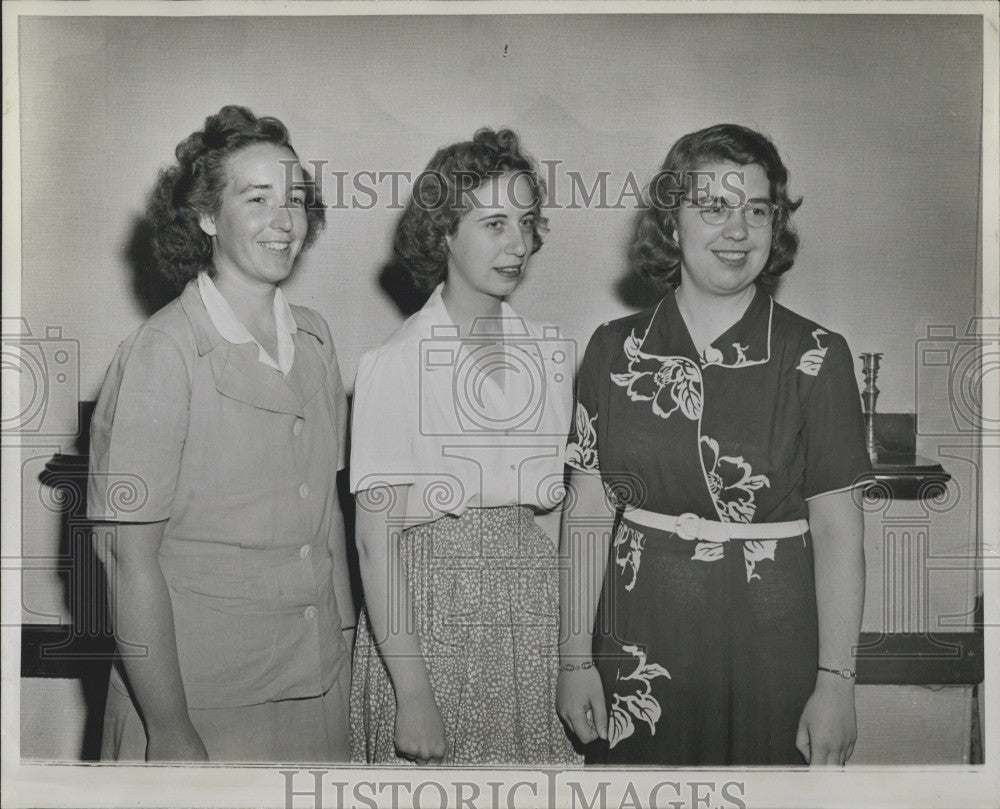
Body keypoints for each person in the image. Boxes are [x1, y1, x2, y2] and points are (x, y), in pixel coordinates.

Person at [556, 123, 870, 766]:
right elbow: (587, 511)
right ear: (671, 223)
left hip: (774, 648)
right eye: (714, 207)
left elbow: (839, 531)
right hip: (637, 640)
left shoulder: (817, 356)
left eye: (757, 210)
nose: (738, 230)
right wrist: (573, 658)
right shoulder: (613, 348)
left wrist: (837, 684)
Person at [87, 105, 354, 762]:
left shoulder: (317, 340)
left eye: (295, 198)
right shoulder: (161, 353)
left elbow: (324, 520)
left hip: (316, 692)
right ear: (207, 215)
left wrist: (344, 652)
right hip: (198, 705)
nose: (284, 219)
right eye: (257, 198)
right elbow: (127, 559)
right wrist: (170, 725)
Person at [350, 128, 580, 765]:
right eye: (495, 223)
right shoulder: (392, 364)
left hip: (530, 616)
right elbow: (375, 540)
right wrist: (414, 691)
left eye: (528, 222)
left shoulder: (553, 355)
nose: (519, 244)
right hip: (428, 618)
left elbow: (555, 515)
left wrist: (571, 649)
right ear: (445, 232)